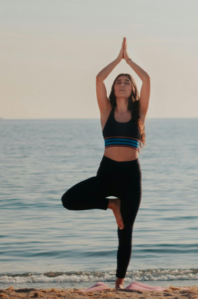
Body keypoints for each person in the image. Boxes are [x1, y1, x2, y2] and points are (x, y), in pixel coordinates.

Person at [61, 37, 150, 289]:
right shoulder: (106, 111)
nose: (122, 84)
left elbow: (148, 80)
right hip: (107, 172)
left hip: (131, 176)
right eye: (118, 82)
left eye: (126, 82)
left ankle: (119, 284)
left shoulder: (139, 113)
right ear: (114, 90)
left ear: (132, 90)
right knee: (68, 200)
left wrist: (130, 61)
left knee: (126, 232)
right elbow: (99, 79)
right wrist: (118, 59)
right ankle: (111, 204)